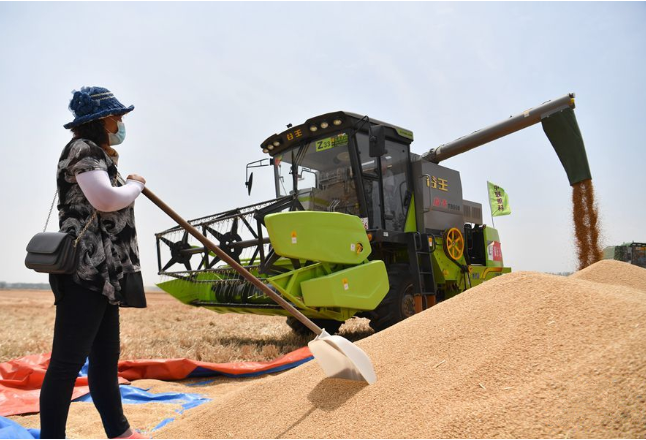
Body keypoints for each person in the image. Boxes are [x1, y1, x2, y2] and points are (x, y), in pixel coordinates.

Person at [40, 87, 149, 439]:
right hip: (84, 274)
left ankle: (119, 432)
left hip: (105, 274)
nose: (120, 123)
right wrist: (134, 186)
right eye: (117, 117)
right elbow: (105, 199)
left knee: (104, 361)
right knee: (67, 365)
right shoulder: (82, 150)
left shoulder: (98, 155)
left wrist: (123, 178)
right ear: (101, 120)